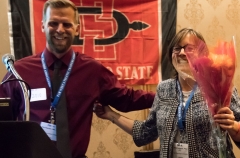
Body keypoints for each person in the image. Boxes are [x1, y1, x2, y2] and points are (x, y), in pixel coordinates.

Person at [0, 0, 155, 158]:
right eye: (53, 23)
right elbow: (3, 116)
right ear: (42, 26)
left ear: (77, 29)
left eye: (66, 24)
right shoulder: (19, 71)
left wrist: (168, 95)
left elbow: (127, 98)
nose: (60, 30)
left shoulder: (92, 70)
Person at [94, 28, 240, 158]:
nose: (182, 53)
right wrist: (111, 115)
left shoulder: (218, 86)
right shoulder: (164, 89)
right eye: (177, 48)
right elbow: (146, 132)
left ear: (203, 55)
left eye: (189, 48)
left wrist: (233, 127)